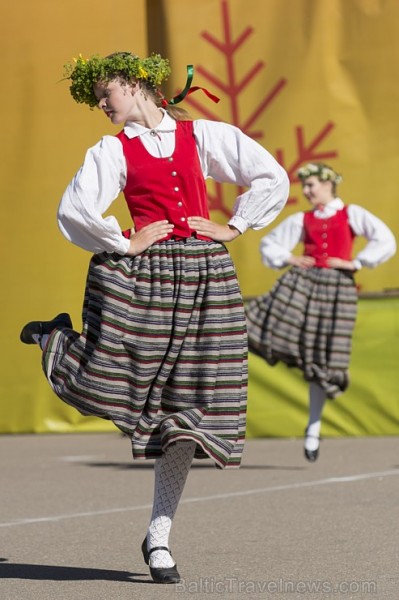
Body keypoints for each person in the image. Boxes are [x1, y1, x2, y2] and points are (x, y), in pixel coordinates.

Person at [20, 51, 289, 584]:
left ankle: (159, 538)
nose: (101, 105)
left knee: (192, 414)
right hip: (145, 276)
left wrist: (234, 227)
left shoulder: (203, 137)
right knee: (109, 379)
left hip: (206, 279)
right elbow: (74, 210)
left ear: (133, 83)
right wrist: (125, 238)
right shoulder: (112, 150)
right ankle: (57, 341)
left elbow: (270, 176)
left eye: (106, 94)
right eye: (97, 100)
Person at [246, 162, 396, 462]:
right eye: (306, 186)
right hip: (303, 284)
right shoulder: (303, 219)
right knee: (255, 321)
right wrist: (290, 257)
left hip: (337, 289)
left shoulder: (350, 213)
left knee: (324, 360)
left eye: (312, 185)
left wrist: (356, 263)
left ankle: (313, 429)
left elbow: (385, 239)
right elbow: (270, 244)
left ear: (328, 185)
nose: (307, 191)